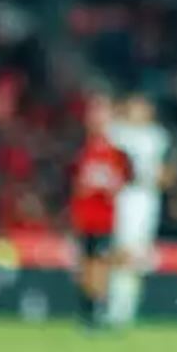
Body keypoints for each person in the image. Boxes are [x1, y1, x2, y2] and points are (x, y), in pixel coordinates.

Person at [106, 94, 172, 328]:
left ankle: (122, 309)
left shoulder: (157, 137)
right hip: (119, 195)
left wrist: (157, 177)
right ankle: (109, 305)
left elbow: (167, 174)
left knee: (135, 254)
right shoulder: (115, 132)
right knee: (114, 251)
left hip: (144, 199)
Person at [68, 96, 132, 330]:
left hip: (104, 218)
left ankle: (98, 309)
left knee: (101, 264)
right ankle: (87, 310)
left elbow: (121, 183)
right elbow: (74, 184)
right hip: (84, 216)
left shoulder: (115, 153)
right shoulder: (81, 150)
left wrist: (106, 185)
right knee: (86, 265)